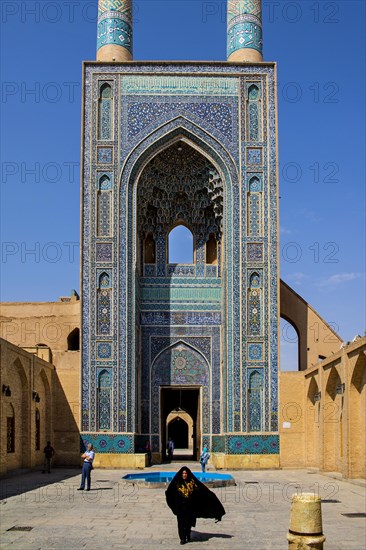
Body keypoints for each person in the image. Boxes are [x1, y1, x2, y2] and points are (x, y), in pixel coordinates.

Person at [166, 466, 225, 545]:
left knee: (188, 522)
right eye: (183, 473)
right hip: (180, 507)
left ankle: (188, 534)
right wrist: (174, 505)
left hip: (190, 506)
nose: (184, 475)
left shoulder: (192, 482)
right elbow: (170, 493)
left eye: (186, 473)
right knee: (181, 523)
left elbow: (201, 491)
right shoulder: (176, 482)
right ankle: (182, 538)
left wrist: (210, 496)